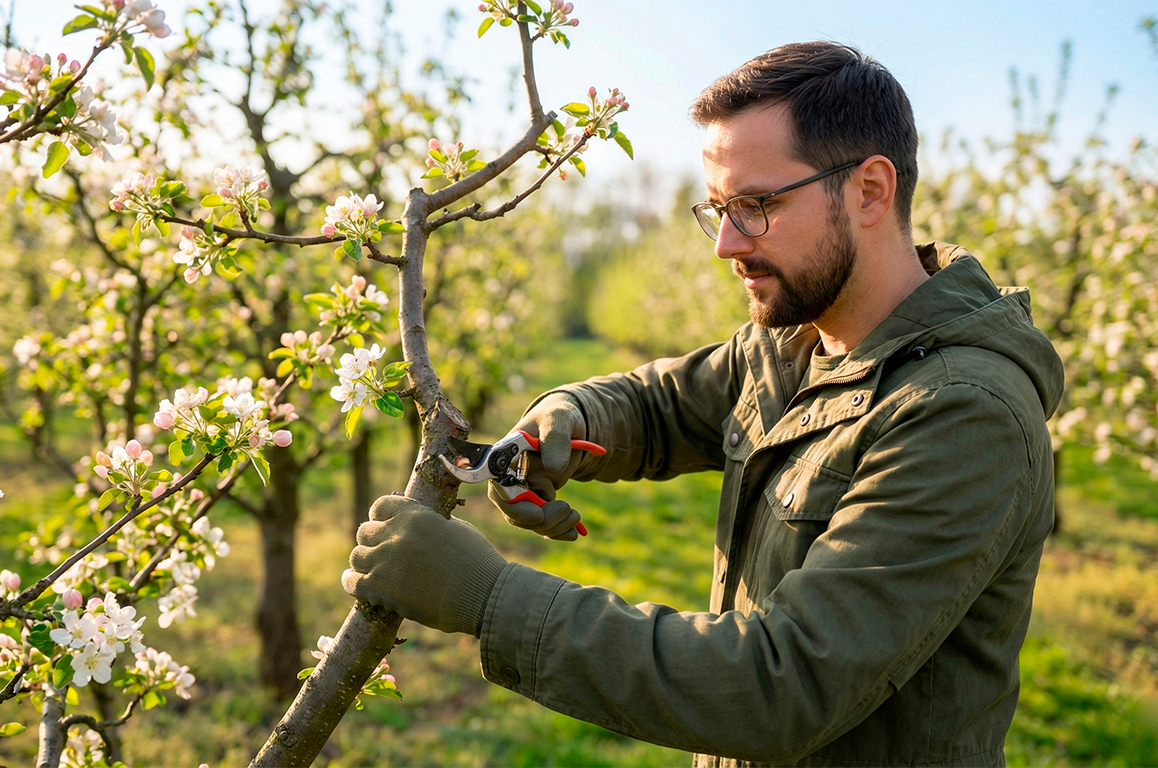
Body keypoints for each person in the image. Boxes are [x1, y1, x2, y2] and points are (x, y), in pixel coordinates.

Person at [343, 41, 1063, 767]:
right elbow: (659, 405)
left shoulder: (963, 415)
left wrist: (489, 598)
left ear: (870, 191)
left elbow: (780, 684)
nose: (725, 245)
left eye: (754, 206)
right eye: (718, 209)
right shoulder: (796, 344)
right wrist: (564, 417)